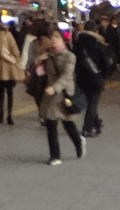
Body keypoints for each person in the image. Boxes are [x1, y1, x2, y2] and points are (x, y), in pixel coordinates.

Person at [35, 29, 85, 166]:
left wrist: (55, 88)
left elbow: (67, 76)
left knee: (68, 123)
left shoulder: (70, 56)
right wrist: (39, 62)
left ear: (64, 40)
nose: (54, 40)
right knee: (51, 123)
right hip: (51, 94)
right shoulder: (49, 55)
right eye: (53, 38)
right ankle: (55, 156)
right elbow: (41, 73)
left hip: (64, 93)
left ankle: (78, 142)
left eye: (57, 38)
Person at [72, 21, 110, 138]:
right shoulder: (97, 42)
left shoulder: (77, 42)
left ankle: (97, 124)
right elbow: (104, 61)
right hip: (95, 76)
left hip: (81, 77)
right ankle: (86, 129)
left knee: (91, 102)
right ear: (95, 30)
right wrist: (105, 75)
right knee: (93, 103)